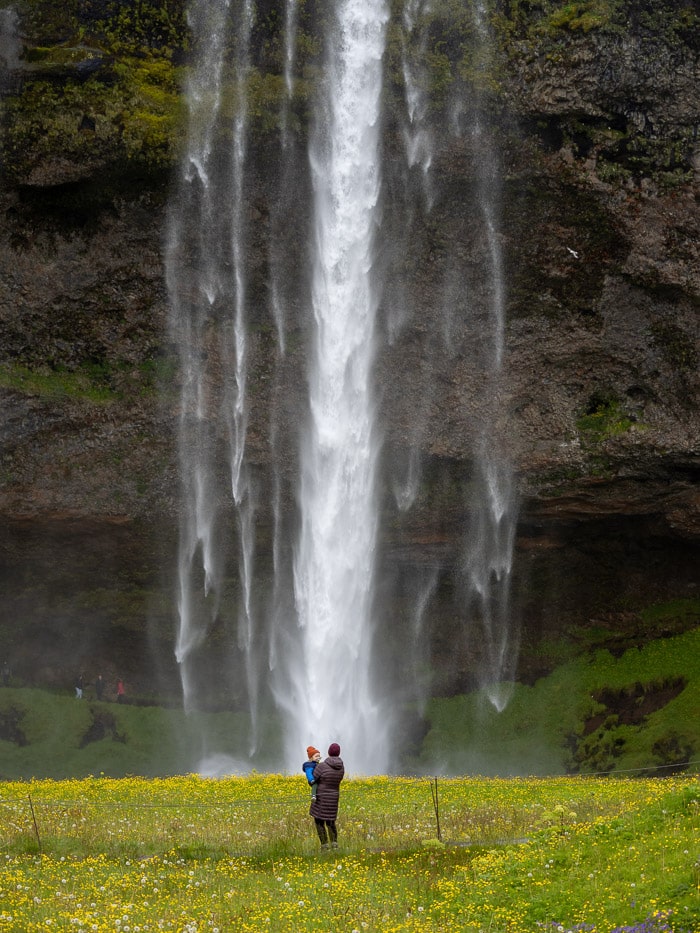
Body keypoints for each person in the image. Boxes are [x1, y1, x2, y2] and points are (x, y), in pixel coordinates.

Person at [310, 742, 344, 850]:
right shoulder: (341, 767)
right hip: (333, 798)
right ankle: (334, 844)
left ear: (329, 752)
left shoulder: (322, 766)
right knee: (330, 821)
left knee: (319, 821)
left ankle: (324, 845)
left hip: (321, 798)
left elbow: (312, 780)